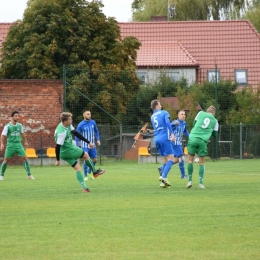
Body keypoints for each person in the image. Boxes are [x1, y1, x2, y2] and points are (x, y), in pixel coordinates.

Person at [54, 112, 105, 193]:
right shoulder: (61, 132)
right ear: (64, 121)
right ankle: (95, 172)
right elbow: (57, 146)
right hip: (68, 150)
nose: (71, 120)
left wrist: (88, 142)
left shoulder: (67, 125)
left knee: (78, 168)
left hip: (64, 153)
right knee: (86, 155)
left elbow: (76, 133)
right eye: (70, 119)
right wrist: (57, 160)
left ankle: (84, 188)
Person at [186, 106, 219, 189]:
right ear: (213, 114)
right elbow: (215, 135)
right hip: (203, 141)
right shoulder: (215, 121)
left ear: (207, 111)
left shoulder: (200, 113)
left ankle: (189, 181)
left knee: (190, 160)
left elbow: (194, 124)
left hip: (193, 138)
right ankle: (200, 183)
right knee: (201, 162)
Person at [150, 99, 178, 188]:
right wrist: (172, 134)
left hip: (157, 139)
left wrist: (173, 124)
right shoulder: (164, 112)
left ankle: (163, 183)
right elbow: (167, 123)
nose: (161, 106)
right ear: (157, 106)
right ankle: (163, 177)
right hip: (164, 138)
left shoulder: (152, 116)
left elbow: (161, 126)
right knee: (172, 159)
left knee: (165, 160)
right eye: (160, 104)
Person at [0, 111, 35, 180]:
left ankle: (29, 175)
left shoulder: (20, 125)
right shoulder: (7, 126)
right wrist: (2, 144)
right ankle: (1, 176)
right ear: (12, 117)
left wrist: (25, 142)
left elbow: (22, 134)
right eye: (15, 116)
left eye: (17, 116)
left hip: (18, 144)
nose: (17, 117)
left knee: (25, 158)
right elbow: (3, 136)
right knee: (6, 160)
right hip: (10, 144)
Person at [158, 110, 189, 179]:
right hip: (174, 143)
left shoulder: (184, 123)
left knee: (175, 159)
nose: (183, 115)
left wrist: (190, 137)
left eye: (184, 114)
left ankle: (162, 168)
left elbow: (185, 131)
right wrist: (173, 124)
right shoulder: (175, 122)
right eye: (181, 114)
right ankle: (183, 175)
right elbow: (168, 127)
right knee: (181, 158)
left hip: (178, 143)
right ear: (178, 115)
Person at [75, 110, 101, 181]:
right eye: (88, 114)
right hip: (85, 145)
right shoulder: (81, 124)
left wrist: (98, 139)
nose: (89, 115)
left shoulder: (93, 122)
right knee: (87, 160)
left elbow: (96, 131)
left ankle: (90, 173)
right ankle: (85, 175)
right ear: (84, 115)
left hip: (92, 145)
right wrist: (77, 145)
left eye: (90, 114)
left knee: (95, 160)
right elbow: (77, 136)